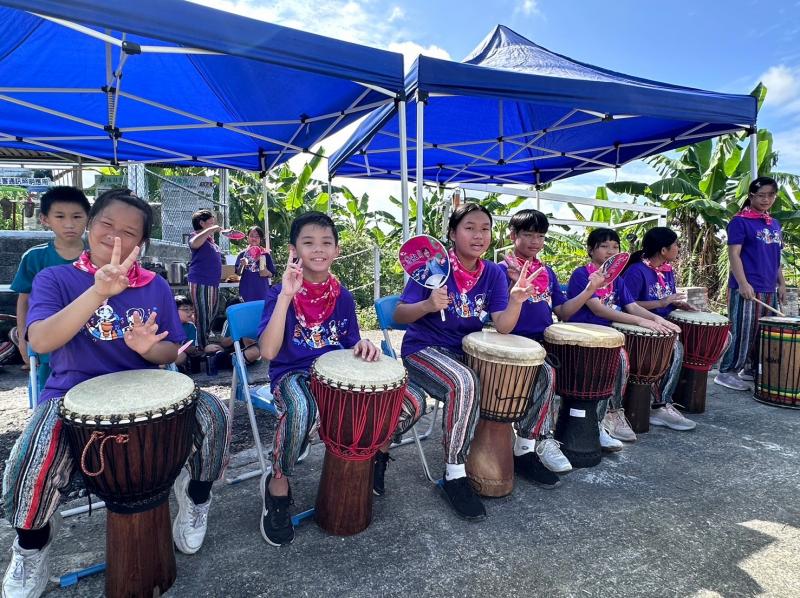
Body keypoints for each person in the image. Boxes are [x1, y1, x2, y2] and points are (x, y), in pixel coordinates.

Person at [2, 189, 231, 598]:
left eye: (129, 232)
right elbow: (40, 341)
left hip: (148, 393)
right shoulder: (55, 278)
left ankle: (196, 498)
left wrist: (147, 349)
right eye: (107, 225)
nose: (116, 237)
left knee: (214, 414)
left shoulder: (155, 285)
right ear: (90, 226)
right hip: (70, 393)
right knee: (31, 458)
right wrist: (99, 292)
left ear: (142, 243)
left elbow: (172, 353)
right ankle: (31, 547)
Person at [256, 211, 425, 546]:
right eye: (308, 242)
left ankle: (376, 453)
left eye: (326, 242)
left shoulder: (343, 297)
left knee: (412, 402)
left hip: (338, 377)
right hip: (293, 373)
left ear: (336, 250)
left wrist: (363, 344)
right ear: (293, 250)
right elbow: (269, 352)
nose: (318, 249)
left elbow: (350, 343)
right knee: (301, 410)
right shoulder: (279, 293)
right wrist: (287, 296)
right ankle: (277, 483)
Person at [393, 203, 540, 521]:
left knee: (540, 372)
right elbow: (400, 314)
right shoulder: (434, 266)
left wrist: (515, 300)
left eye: (485, 228)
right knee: (464, 381)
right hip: (423, 350)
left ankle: (525, 450)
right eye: (469, 228)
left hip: (463, 351)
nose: (478, 235)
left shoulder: (493, 273)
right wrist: (427, 305)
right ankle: (455, 474)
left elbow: (503, 325)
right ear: (452, 233)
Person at [499, 209, 607, 481]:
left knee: (594, 363)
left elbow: (564, 311)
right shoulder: (500, 270)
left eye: (540, 236)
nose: (535, 241)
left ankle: (593, 425)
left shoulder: (546, 272)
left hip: (545, 340)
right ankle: (537, 441)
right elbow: (496, 317)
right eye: (528, 235)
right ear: (513, 236)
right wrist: (512, 285)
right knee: (547, 373)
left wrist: (589, 290)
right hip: (513, 342)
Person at [566, 228, 682, 451]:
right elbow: (599, 309)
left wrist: (657, 319)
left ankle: (628, 410)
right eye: (604, 246)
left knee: (669, 347)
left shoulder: (617, 280)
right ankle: (610, 414)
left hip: (610, 334)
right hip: (585, 335)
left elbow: (633, 306)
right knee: (619, 358)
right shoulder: (583, 275)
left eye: (615, 247)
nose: (611, 251)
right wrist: (640, 321)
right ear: (590, 250)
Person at [621, 227, 698, 432]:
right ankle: (659, 405)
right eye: (676, 245)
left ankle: (666, 399)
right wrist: (662, 303)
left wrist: (678, 304)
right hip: (640, 325)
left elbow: (666, 299)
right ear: (663, 250)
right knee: (676, 349)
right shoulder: (636, 271)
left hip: (663, 323)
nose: (678, 248)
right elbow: (628, 304)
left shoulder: (667, 270)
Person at [10, 187, 89, 383]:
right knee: (49, 391)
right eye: (60, 217)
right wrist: (23, 338)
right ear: (45, 219)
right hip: (49, 345)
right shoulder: (34, 257)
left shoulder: (98, 255)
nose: (69, 224)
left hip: (90, 342)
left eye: (77, 216)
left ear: (88, 218)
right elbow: (24, 300)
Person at [715, 177, 786, 391]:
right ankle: (727, 372)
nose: (766, 199)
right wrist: (743, 283)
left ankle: (750, 369)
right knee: (743, 331)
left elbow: (777, 257)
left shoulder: (774, 223)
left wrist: (781, 284)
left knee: (763, 333)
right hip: (747, 287)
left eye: (770, 195)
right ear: (751, 196)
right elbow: (734, 255)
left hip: (769, 287)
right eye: (761, 195)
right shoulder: (740, 221)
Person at [187, 209, 222, 350]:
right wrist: (211, 230)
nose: (213, 225)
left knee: (211, 314)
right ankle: (201, 348)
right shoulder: (195, 236)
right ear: (202, 223)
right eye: (211, 222)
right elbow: (194, 243)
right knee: (202, 315)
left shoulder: (210, 240)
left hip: (212, 282)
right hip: (200, 281)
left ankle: (205, 342)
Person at [235, 226, 275, 303]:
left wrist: (266, 272)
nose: (254, 238)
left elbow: (272, 274)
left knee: (261, 310)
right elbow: (238, 273)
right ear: (247, 237)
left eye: (257, 236)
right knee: (247, 309)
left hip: (262, 291)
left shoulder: (265, 254)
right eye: (251, 236)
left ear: (260, 239)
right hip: (246, 291)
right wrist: (242, 265)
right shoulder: (242, 254)